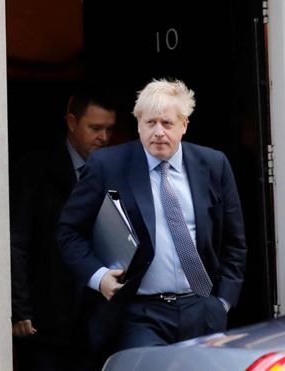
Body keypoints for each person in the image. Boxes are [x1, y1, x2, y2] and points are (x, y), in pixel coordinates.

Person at [56, 79, 247, 356]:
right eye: (150, 123)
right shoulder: (108, 165)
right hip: (138, 312)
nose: (158, 132)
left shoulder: (213, 165)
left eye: (167, 124)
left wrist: (222, 302)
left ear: (184, 125)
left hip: (201, 307)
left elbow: (234, 241)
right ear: (138, 125)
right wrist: (99, 278)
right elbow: (68, 232)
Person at [10, 83, 117, 371]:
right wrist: (19, 308)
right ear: (71, 122)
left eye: (109, 129)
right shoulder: (34, 170)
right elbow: (17, 240)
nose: (103, 138)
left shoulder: (114, 171)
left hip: (98, 320)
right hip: (48, 318)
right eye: (95, 128)